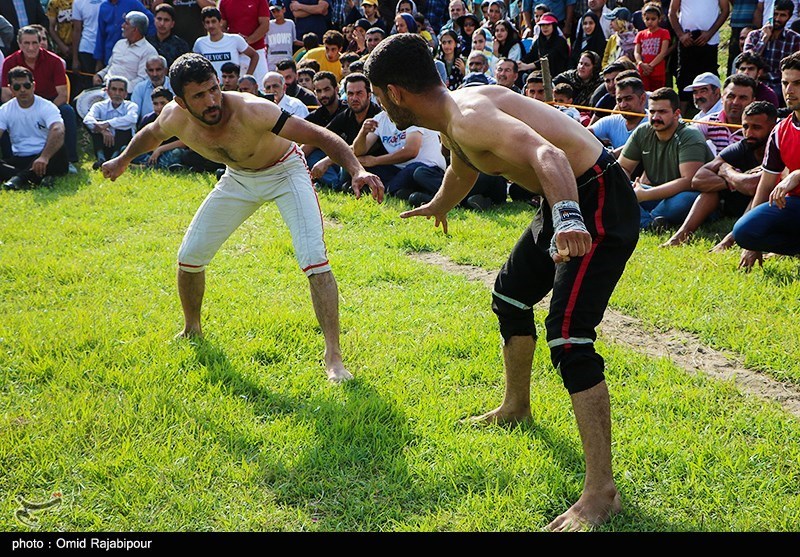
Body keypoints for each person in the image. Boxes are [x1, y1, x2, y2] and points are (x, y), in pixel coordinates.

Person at [364, 32, 640, 532]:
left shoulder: (470, 116)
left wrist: (570, 219)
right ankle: (516, 407)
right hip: (564, 201)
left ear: (394, 93)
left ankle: (602, 491)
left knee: (570, 337)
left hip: (594, 200)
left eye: (379, 97)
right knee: (510, 295)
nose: (381, 107)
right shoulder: (452, 114)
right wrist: (440, 204)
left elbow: (550, 157)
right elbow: (465, 164)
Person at [101, 52, 385, 383]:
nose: (211, 101)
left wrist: (357, 169)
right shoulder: (174, 116)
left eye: (213, 89)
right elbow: (152, 134)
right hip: (237, 178)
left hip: (285, 171)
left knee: (313, 257)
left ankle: (334, 357)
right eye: (199, 96)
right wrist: (123, 159)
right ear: (181, 100)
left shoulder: (253, 109)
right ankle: (192, 329)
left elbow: (319, 135)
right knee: (190, 256)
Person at [662, 100, 777, 248]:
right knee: (709, 192)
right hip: (732, 203)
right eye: (745, 127)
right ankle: (682, 235)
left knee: (760, 192)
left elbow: (752, 186)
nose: (749, 133)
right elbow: (697, 180)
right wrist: (735, 180)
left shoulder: (777, 150)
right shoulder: (741, 147)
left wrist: (727, 171)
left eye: (756, 127)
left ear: (773, 128)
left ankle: (730, 240)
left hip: (765, 206)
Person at [733, 51, 800, 271]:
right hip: (794, 205)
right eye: (785, 83)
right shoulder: (780, 130)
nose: (789, 91)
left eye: (797, 83)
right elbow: (766, 184)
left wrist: (795, 175)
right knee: (744, 231)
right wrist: (753, 243)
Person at [618, 86, 713, 229]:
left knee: (682, 201)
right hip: (655, 193)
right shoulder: (643, 132)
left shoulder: (689, 135)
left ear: (676, 114)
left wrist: (644, 195)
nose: (655, 117)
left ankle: (642, 218)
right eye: (652, 112)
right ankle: (649, 222)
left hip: (689, 195)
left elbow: (689, 181)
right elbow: (623, 167)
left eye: (662, 112)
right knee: (614, 189)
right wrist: (626, 189)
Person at [1, 26, 78, 173]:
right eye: (26, 43)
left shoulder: (54, 61)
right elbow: (5, 94)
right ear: (20, 44)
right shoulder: (9, 62)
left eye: (34, 43)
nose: (31, 47)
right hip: (19, 102)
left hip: (49, 102)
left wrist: (42, 111)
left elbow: (62, 93)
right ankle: (9, 157)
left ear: (40, 42)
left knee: (67, 111)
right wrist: (18, 109)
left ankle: (70, 159)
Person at [352, 108, 447, 206]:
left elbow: (411, 151)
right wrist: (363, 133)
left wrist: (375, 160)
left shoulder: (412, 114)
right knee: (362, 167)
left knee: (416, 172)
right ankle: (404, 193)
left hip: (427, 169)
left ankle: (382, 189)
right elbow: (358, 151)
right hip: (399, 169)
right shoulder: (380, 119)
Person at [306, 72, 384, 191]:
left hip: (373, 163)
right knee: (314, 155)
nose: (354, 98)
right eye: (350, 94)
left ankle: (336, 185)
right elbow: (322, 137)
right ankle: (335, 184)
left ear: (369, 94)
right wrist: (295, 156)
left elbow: (359, 150)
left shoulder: (377, 116)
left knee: (344, 166)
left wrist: (327, 161)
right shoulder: (346, 115)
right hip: (349, 161)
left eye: (359, 93)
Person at [0, 66, 67, 190]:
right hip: (21, 157)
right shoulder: (5, 110)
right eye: (17, 87)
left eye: (26, 85)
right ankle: (34, 177)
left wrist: (44, 157)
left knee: (59, 149)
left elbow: (58, 129)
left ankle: (19, 179)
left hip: (46, 156)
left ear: (33, 86)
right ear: (10, 89)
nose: (22, 90)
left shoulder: (47, 106)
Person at [668, 0, 730, 116]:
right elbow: (672, 12)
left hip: (709, 40)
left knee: (709, 75)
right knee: (684, 77)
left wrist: (710, 33)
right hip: (687, 39)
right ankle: (681, 117)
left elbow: (725, 10)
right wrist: (681, 35)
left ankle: (715, 113)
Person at [743, 0, 800, 106]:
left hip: (779, 83)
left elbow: (794, 69)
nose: (777, 19)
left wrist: (766, 75)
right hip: (754, 83)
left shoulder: (794, 39)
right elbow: (746, 61)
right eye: (775, 14)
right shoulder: (754, 35)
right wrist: (764, 40)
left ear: (789, 17)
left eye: (782, 15)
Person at [94, 11, 160, 94]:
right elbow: (110, 66)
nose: (122, 26)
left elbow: (143, 80)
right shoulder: (119, 44)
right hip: (105, 88)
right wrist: (99, 75)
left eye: (126, 23)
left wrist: (117, 89)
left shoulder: (148, 51)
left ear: (135, 29)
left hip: (126, 94)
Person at [692, 74, 755, 156]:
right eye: (731, 96)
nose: (735, 102)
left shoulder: (759, 127)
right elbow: (687, 137)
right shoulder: (710, 122)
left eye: (742, 98)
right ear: (722, 98)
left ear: (753, 101)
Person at [83, 75, 138, 169]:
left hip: (122, 143)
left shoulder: (131, 106)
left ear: (126, 93)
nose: (117, 93)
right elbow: (87, 119)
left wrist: (107, 124)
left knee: (123, 129)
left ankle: (115, 159)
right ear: (107, 91)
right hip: (104, 144)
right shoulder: (99, 106)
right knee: (96, 126)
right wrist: (103, 130)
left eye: (121, 90)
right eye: (114, 89)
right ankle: (101, 159)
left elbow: (132, 118)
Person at [192, 6, 258, 81]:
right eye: (207, 22)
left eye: (213, 21)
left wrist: (247, 77)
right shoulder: (200, 43)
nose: (211, 25)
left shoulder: (235, 39)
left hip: (233, 86)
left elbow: (254, 55)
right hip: (211, 86)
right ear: (204, 24)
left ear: (220, 22)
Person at [588, 75, 647, 156]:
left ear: (642, 99)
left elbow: (638, 146)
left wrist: (612, 154)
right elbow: (583, 134)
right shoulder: (611, 121)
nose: (623, 105)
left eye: (628, 98)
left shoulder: (653, 123)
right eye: (619, 100)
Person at [219, 0, 270, 86]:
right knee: (235, 89)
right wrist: (234, 42)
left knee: (261, 87)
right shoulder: (224, 1)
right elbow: (221, 26)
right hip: (235, 54)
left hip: (257, 50)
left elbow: (265, 25)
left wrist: (245, 42)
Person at [93, 0, 155, 67]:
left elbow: (150, 21)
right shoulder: (104, 7)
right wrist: (98, 59)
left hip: (133, 56)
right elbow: (101, 34)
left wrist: (143, 41)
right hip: (110, 54)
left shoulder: (133, 3)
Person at [518, 13, 570, 78]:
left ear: (553, 26)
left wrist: (527, 66)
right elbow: (531, 55)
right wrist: (520, 62)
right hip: (541, 74)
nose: (545, 27)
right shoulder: (538, 41)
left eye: (548, 25)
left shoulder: (561, 41)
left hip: (558, 75)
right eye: (542, 25)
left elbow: (549, 58)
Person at [633, 2, 670, 91]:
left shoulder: (664, 33)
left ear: (659, 19)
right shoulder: (640, 34)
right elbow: (637, 52)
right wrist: (640, 63)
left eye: (653, 19)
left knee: (657, 94)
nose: (650, 22)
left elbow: (663, 52)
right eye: (647, 19)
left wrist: (650, 66)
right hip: (643, 71)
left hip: (657, 71)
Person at [146, 3, 190, 69]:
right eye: (159, 19)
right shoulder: (147, 42)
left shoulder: (181, 46)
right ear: (154, 20)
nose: (162, 24)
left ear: (172, 24)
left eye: (166, 20)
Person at [131, 54, 172, 124]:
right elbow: (134, 115)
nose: (154, 74)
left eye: (158, 70)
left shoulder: (174, 86)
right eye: (151, 70)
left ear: (165, 70)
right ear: (146, 72)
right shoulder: (139, 88)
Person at [71, 0, 104, 75]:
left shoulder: (109, 1)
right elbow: (76, 30)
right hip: (87, 48)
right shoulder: (78, 2)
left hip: (105, 48)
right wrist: (75, 59)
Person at [266, 0, 297, 72]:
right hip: (272, 58)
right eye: (273, 11)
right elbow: (266, 45)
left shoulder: (290, 23)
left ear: (284, 9)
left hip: (287, 56)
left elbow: (294, 41)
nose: (276, 13)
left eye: (278, 10)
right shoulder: (269, 25)